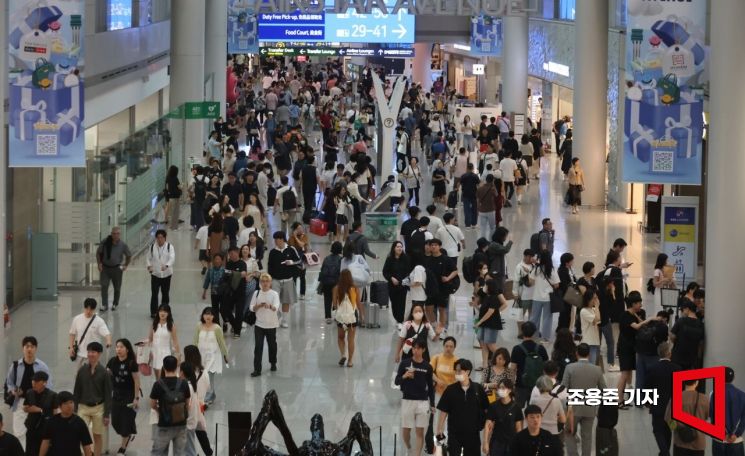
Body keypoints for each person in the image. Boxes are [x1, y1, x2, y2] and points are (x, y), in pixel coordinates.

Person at [4, 336, 53, 448]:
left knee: (37, 432)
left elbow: (49, 384)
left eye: (32, 346)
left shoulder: (42, 366)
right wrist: (14, 391)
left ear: (36, 348)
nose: (29, 349)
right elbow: (9, 382)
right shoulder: (16, 365)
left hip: (36, 403)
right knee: (19, 433)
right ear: (23, 348)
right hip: (20, 402)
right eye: (27, 346)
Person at [436, 359, 489, 454]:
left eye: (459, 370)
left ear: (468, 371)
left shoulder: (478, 389)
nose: (457, 373)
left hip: (473, 434)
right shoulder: (450, 390)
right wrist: (440, 428)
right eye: (455, 370)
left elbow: (486, 409)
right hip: (454, 433)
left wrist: (486, 431)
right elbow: (444, 410)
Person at [562, 343, 607, 456]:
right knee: (587, 437)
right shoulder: (597, 369)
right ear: (589, 354)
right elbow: (604, 389)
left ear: (576, 353)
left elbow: (564, 388)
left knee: (569, 433)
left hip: (573, 408)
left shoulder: (570, 368)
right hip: (590, 408)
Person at [394, 340, 435, 456]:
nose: (415, 350)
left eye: (418, 348)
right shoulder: (404, 363)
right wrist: (404, 376)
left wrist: (432, 404)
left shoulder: (428, 367)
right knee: (406, 431)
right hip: (407, 400)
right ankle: (409, 446)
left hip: (422, 402)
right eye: (414, 348)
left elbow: (431, 387)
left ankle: (417, 454)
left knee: (420, 431)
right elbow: (396, 382)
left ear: (423, 350)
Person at [72, 342, 112, 456]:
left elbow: (108, 395)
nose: (90, 354)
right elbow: (76, 391)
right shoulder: (82, 370)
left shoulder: (105, 372)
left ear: (99, 354)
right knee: (80, 434)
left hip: (99, 408)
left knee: (97, 435)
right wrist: (74, 409)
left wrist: (106, 414)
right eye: (89, 351)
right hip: (83, 407)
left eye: (93, 352)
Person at [616, 291, 653, 410]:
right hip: (624, 347)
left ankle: (626, 395)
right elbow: (637, 326)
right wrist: (650, 319)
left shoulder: (637, 314)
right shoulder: (625, 315)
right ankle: (619, 400)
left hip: (632, 347)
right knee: (624, 373)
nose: (641, 305)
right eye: (638, 303)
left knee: (629, 373)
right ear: (632, 304)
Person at [149, 355, 190, 456]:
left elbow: (152, 404)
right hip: (181, 424)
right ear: (177, 367)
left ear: (163, 367)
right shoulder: (184, 383)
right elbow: (187, 404)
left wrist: (160, 411)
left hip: (164, 424)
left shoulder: (158, 384)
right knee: (180, 453)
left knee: (159, 453)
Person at [646, 341, 681, 456]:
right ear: (669, 354)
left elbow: (648, 388)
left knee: (657, 430)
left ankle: (665, 453)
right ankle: (664, 452)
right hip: (673, 407)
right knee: (668, 430)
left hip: (657, 407)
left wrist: (648, 403)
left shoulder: (652, 368)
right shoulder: (677, 369)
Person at [105, 339, 139, 455]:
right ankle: (128, 431)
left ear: (127, 349)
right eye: (117, 347)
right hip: (117, 394)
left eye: (121, 347)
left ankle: (123, 447)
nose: (118, 349)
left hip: (128, 394)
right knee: (115, 421)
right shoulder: (112, 361)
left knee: (125, 421)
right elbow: (107, 374)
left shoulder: (131, 363)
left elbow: (136, 380)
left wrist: (136, 398)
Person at [38, 391, 93, 456]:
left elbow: (86, 445)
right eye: (65, 403)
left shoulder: (79, 422)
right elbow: (46, 442)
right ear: (59, 406)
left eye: (71, 402)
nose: (69, 406)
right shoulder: (52, 421)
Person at [509, 321, 549, 408]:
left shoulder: (517, 349)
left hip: (521, 385)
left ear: (522, 332)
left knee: (517, 411)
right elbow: (546, 368)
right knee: (534, 410)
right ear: (534, 333)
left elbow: (512, 369)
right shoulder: (541, 348)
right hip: (537, 386)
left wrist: (512, 385)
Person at [193, 307, 228, 404]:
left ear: (214, 316)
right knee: (201, 375)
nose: (208, 316)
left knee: (209, 375)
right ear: (203, 315)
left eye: (210, 314)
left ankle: (211, 392)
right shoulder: (199, 326)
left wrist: (225, 354)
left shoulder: (217, 328)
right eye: (206, 314)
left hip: (213, 355)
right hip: (201, 355)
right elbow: (195, 341)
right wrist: (193, 354)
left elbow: (221, 342)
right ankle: (206, 393)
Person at [665, 378, 708, 456]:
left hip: (680, 442)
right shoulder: (704, 399)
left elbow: (668, 418)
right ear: (697, 382)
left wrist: (676, 429)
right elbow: (707, 416)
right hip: (698, 443)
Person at [267, 231, 302, 328]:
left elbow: (299, 260)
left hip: (288, 280)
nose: (275, 241)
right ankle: (278, 315)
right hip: (275, 280)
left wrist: (292, 262)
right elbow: (270, 266)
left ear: (282, 239)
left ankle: (285, 320)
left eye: (276, 239)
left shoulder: (291, 249)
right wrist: (269, 280)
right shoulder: (273, 252)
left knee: (286, 301)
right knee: (274, 299)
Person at [424, 239, 458, 335]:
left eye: (435, 245)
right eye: (432, 245)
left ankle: (442, 329)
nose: (433, 247)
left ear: (440, 246)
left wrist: (448, 278)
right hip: (430, 289)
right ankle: (435, 326)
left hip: (443, 289)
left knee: (442, 309)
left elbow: (455, 271)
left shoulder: (446, 259)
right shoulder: (428, 260)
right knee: (428, 308)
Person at [250, 273, 281, 376]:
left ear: (270, 283)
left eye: (267, 281)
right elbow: (251, 307)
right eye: (263, 281)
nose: (265, 283)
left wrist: (270, 306)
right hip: (259, 324)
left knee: (272, 345)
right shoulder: (256, 293)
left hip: (271, 325)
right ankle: (257, 369)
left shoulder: (274, 294)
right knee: (258, 347)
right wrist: (258, 306)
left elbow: (276, 307)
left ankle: (273, 362)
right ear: (260, 283)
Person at [22, 371, 57, 456]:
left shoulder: (53, 395)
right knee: (30, 451)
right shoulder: (29, 393)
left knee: (45, 452)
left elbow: (55, 413)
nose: (34, 383)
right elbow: (25, 407)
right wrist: (32, 409)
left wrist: (40, 410)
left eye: (37, 381)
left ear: (44, 382)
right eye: (33, 381)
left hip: (45, 429)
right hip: (31, 428)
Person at [96, 227, 132, 311]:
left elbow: (129, 255)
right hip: (105, 268)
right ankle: (104, 304)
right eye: (114, 233)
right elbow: (98, 253)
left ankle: (115, 303)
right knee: (104, 286)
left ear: (120, 235)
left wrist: (125, 265)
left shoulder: (122, 245)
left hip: (117, 269)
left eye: (117, 234)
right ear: (111, 234)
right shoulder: (105, 242)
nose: (116, 235)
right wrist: (99, 264)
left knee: (117, 287)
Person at [475, 278, 509, 366]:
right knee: (482, 343)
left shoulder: (494, 297)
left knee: (490, 344)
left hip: (491, 323)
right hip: (483, 322)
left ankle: (504, 360)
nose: (485, 287)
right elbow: (477, 294)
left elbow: (491, 311)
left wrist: (480, 322)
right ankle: (485, 364)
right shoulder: (486, 295)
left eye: (486, 285)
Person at [332, 270, 362, 367]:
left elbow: (335, 305)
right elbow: (358, 303)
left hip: (341, 317)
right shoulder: (355, 288)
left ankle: (342, 354)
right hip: (352, 316)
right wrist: (362, 314)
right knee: (351, 339)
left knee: (340, 337)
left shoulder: (336, 288)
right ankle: (350, 361)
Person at [68, 298, 111, 365]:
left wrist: (108, 341)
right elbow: (72, 333)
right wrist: (71, 347)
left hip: (92, 355)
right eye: (87, 309)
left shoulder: (99, 321)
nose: (88, 311)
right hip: (79, 353)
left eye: (91, 309)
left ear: (94, 309)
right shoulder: (77, 319)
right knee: (79, 374)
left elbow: (107, 334)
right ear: (84, 307)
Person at [530, 250, 560, 342]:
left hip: (536, 297)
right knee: (547, 318)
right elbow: (556, 285)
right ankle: (545, 338)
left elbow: (531, 282)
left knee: (534, 318)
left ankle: (534, 336)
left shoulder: (536, 269)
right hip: (548, 298)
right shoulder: (553, 269)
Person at [531, 375, 567, 450]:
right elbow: (563, 420)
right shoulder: (556, 401)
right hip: (553, 433)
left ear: (538, 386)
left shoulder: (534, 401)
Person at [146, 229, 175, 319]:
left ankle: (164, 311)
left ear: (165, 238)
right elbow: (148, 258)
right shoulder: (152, 247)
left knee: (165, 293)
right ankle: (154, 312)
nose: (160, 239)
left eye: (161, 237)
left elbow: (172, 258)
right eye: (158, 238)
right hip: (155, 274)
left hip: (166, 274)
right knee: (154, 293)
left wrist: (167, 265)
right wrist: (149, 266)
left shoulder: (170, 247)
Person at [383, 241, 412, 328]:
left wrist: (405, 280)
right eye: (397, 247)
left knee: (401, 303)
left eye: (401, 247)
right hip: (392, 286)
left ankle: (400, 321)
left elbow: (409, 271)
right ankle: (397, 318)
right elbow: (385, 272)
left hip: (403, 286)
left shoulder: (406, 258)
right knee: (394, 303)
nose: (399, 248)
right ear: (394, 248)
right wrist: (391, 278)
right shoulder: (389, 259)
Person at [671, 300, 706, 371]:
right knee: (688, 380)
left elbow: (672, 336)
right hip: (692, 359)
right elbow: (701, 343)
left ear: (687, 309)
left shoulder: (681, 321)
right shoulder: (701, 324)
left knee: (676, 380)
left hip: (678, 357)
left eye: (683, 310)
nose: (682, 312)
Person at [149, 304, 180, 378]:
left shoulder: (171, 325)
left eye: (165, 311)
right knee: (157, 378)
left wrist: (178, 356)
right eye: (161, 311)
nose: (162, 313)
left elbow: (175, 342)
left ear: (168, 313)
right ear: (158, 312)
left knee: (162, 377)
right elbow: (150, 339)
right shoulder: (154, 324)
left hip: (165, 353)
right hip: (155, 353)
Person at [223, 246, 248, 337]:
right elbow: (226, 275)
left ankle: (237, 331)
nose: (231, 256)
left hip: (240, 292)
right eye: (229, 254)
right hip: (230, 291)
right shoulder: (228, 263)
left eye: (232, 253)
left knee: (239, 312)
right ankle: (234, 325)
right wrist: (237, 274)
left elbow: (244, 274)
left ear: (237, 253)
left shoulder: (242, 264)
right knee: (226, 310)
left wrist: (232, 274)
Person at [579, 289, 602, 364]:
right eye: (594, 298)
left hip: (595, 341)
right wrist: (597, 307)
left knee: (593, 365)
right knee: (590, 365)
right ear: (588, 299)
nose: (596, 300)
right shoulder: (584, 311)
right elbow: (597, 318)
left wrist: (596, 308)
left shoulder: (593, 309)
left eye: (597, 298)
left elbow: (599, 321)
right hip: (588, 342)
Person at [515, 249, 536, 324]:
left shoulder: (534, 265)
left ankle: (530, 330)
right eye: (530, 257)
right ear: (525, 256)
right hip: (524, 295)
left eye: (533, 257)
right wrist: (515, 293)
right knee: (521, 314)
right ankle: (520, 332)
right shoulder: (519, 266)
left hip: (534, 295)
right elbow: (516, 281)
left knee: (532, 314)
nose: (532, 259)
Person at [557, 252, 576, 331]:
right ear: (567, 262)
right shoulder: (562, 271)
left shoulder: (570, 269)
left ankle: (564, 328)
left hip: (569, 294)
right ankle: (563, 329)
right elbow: (564, 285)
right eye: (572, 261)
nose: (573, 262)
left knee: (568, 313)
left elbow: (573, 279)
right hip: (565, 295)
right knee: (564, 313)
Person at [477, 174, 498, 240]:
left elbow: (477, 200)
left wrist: (478, 209)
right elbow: (496, 195)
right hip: (491, 210)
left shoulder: (480, 188)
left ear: (486, 180)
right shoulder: (493, 189)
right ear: (492, 180)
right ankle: (491, 240)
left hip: (482, 210)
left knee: (483, 227)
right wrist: (493, 185)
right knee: (492, 227)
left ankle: (483, 241)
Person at [460, 163, 480, 229]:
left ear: (467, 168)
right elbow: (478, 185)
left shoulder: (463, 176)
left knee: (466, 209)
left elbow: (460, 183)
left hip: (465, 194)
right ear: (473, 168)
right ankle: (474, 224)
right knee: (474, 209)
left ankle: (467, 225)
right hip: (474, 194)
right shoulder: (475, 176)